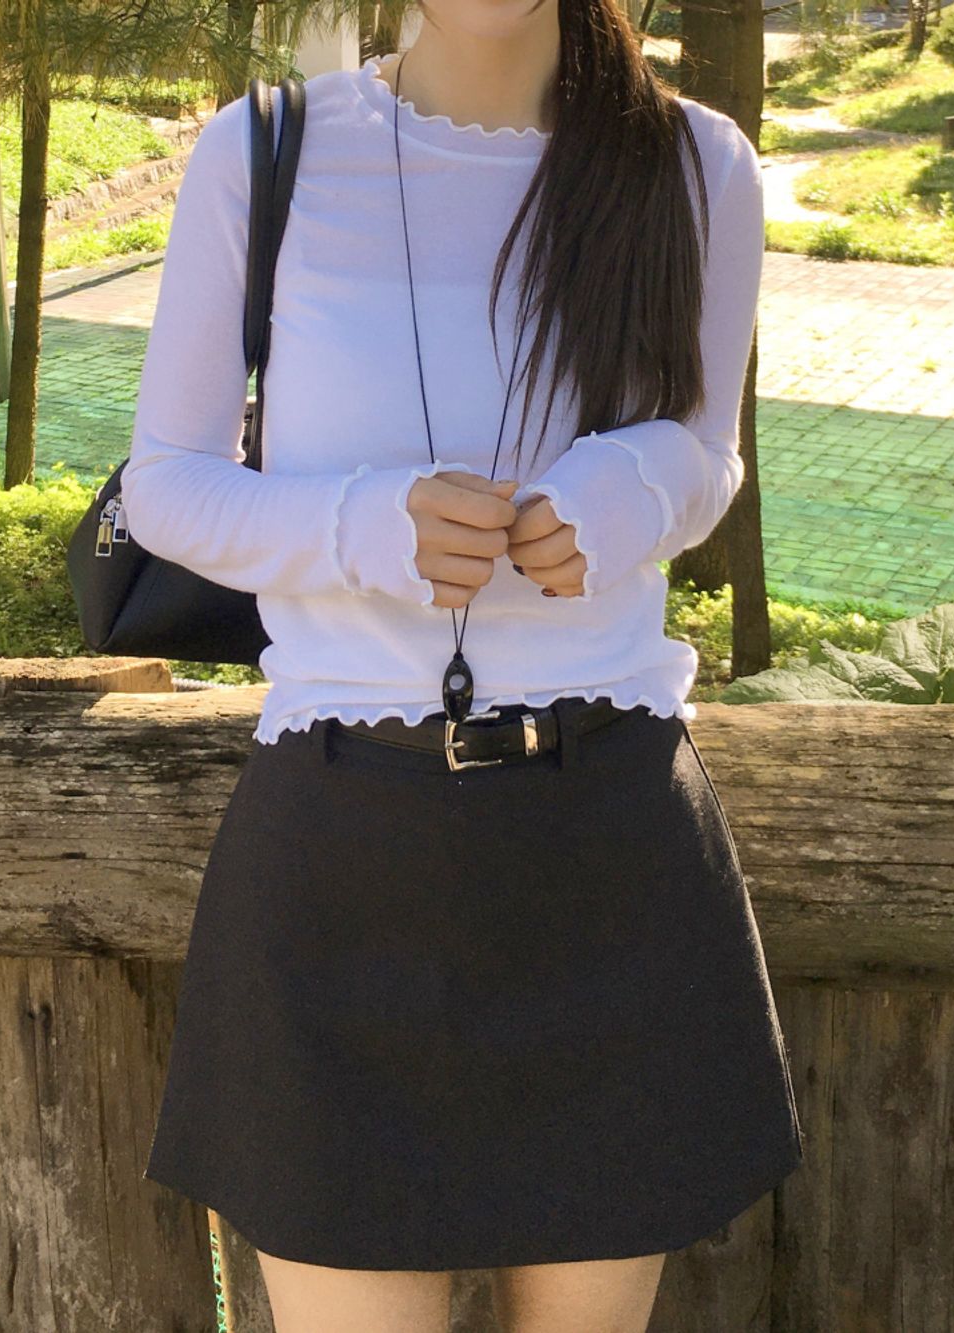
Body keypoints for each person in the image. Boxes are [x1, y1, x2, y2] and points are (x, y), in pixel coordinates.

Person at [122, 2, 805, 1329]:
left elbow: (706, 446)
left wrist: (627, 485)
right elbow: (167, 483)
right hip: (343, 860)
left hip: (607, 854)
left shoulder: (696, 163)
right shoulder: (265, 151)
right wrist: (361, 526)